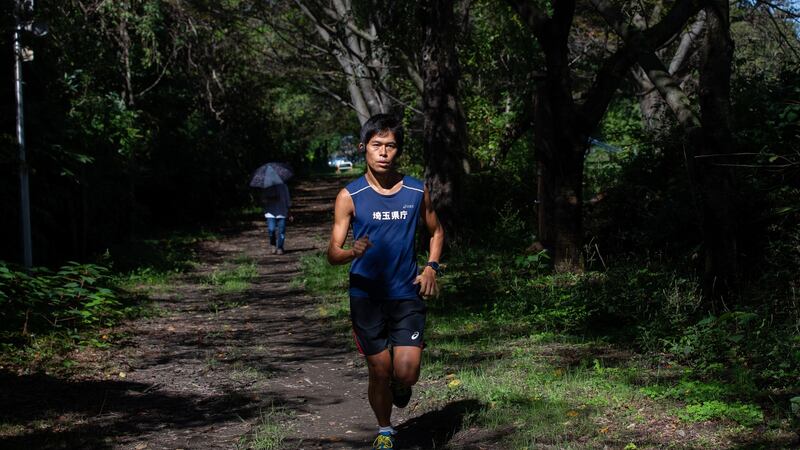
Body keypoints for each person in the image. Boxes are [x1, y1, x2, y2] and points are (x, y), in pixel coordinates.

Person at [326, 114, 445, 449]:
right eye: (376, 145)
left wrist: (432, 267)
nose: (383, 152)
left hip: (407, 293)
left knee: (405, 373)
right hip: (366, 295)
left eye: (390, 146)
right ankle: (385, 430)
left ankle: (402, 385)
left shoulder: (415, 191)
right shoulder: (350, 196)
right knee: (379, 370)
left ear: (398, 151)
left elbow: (436, 231)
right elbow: (332, 253)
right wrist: (352, 252)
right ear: (364, 147)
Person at [261, 183, 292, 254]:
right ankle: (273, 244)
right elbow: (263, 200)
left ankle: (280, 247)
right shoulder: (267, 186)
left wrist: (289, 212)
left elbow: (287, 199)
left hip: (282, 212)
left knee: (282, 231)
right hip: (270, 213)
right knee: (271, 230)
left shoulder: (284, 186)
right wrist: (271, 198)